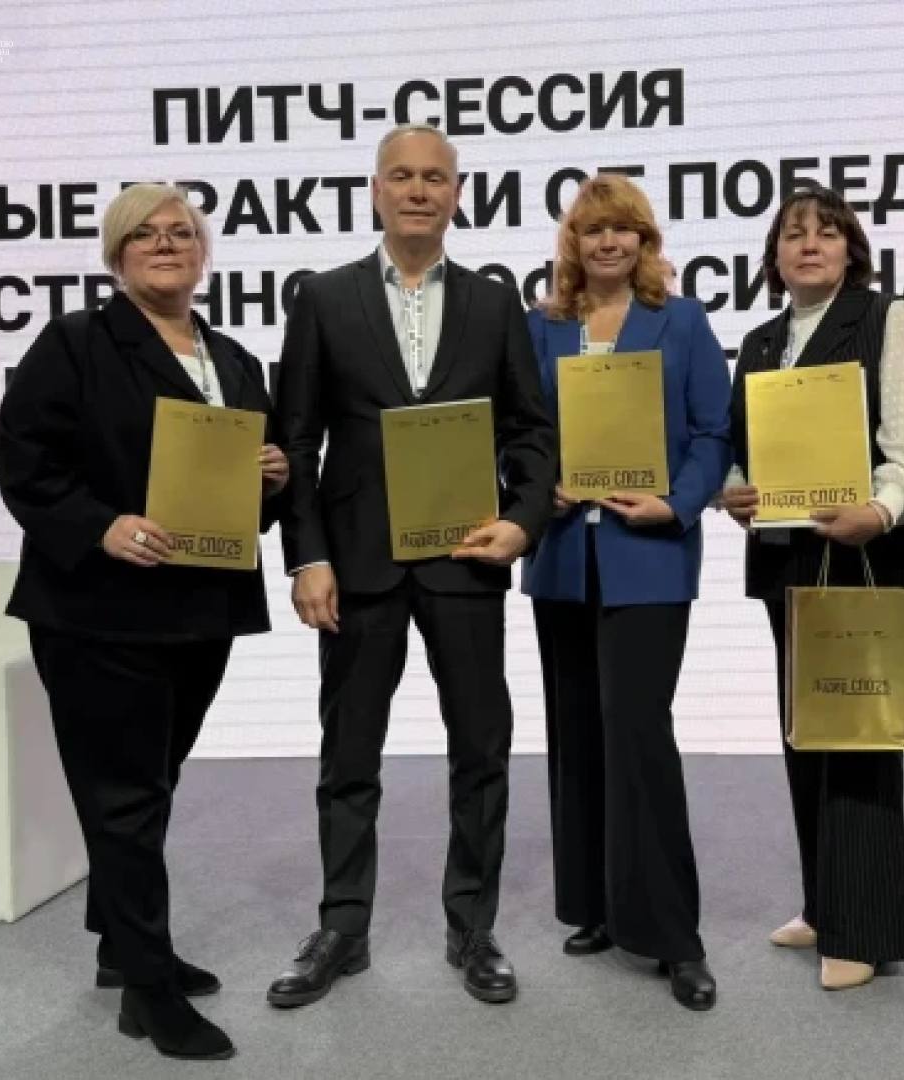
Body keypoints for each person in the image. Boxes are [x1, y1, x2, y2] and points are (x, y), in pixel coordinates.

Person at [0, 183, 288, 1060]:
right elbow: (24, 463)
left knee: (149, 785)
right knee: (124, 799)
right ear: (117, 257)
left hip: (200, 612)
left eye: (182, 232)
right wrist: (101, 526)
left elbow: (245, 503)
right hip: (99, 611)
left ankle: (123, 949)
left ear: (203, 252)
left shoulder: (234, 361)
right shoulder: (76, 343)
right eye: (145, 234)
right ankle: (150, 993)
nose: (167, 244)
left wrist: (271, 480)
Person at [267, 123, 556, 1007]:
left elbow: (531, 431)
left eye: (435, 177)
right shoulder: (324, 297)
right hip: (357, 566)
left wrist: (522, 524)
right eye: (402, 176)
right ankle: (342, 928)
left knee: (481, 749)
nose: (419, 190)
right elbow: (297, 440)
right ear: (376, 191)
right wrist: (307, 555)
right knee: (349, 754)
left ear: (457, 195)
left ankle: (472, 928)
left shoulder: (495, 303)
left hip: (466, 559)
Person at [721, 187, 904, 990]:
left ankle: (864, 930)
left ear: (852, 250)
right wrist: (735, 492)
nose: (809, 243)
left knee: (857, 738)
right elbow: (740, 452)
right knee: (805, 736)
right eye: (793, 234)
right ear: (774, 258)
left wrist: (878, 510)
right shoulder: (760, 342)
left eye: (827, 232)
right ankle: (824, 904)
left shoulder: (890, 321)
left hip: (871, 558)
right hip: (789, 562)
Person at [522, 174, 731, 1010]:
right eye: (592, 230)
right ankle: (601, 907)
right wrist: (538, 488)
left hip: (649, 554)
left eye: (623, 229)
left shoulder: (681, 321)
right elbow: (518, 433)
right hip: (563, 558)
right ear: (572, 243)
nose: (608, 242)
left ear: (645, 242)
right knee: (577, 730)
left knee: (639, 730)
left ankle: (675, 936)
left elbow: (714, 432)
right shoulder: (543, 327)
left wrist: (676, 503)